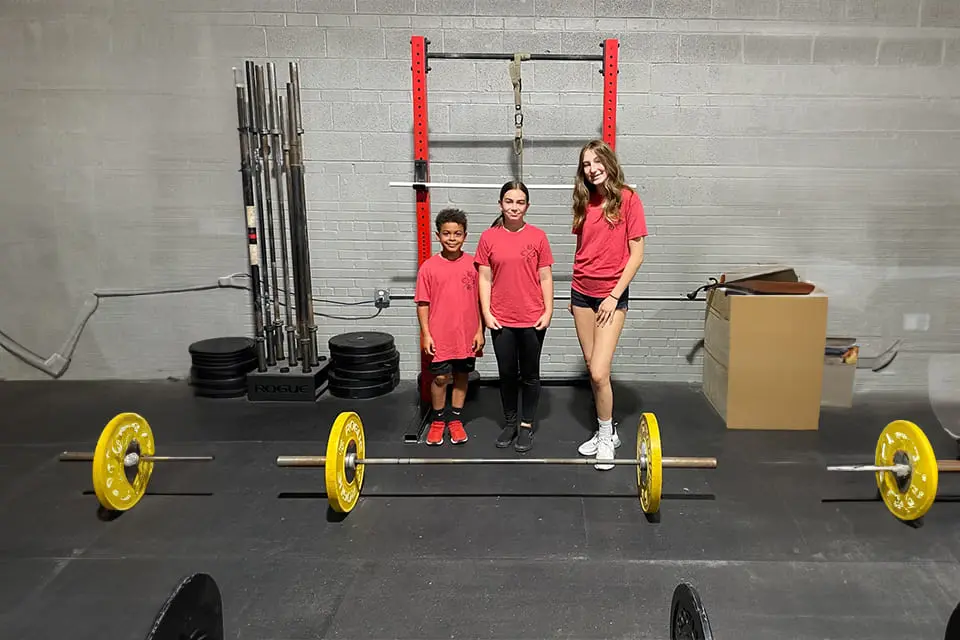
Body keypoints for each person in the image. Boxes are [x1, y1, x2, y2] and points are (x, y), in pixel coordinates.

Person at [568, 139, 647, 471]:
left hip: (610, 296)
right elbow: (584, 249)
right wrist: (575, 297)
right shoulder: (584, 202)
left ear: (609, 163)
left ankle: (605, 435)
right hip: (581, 293)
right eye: (586, 164)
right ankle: (608, 430)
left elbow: (637, 254)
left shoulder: (628, 199)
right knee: (591, 365)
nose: (592, 169)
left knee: (600, 372)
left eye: (597, 161)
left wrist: (614, 295)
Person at [475, 181, 554, 453]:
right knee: (507, 374)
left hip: (532, 318)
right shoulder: (488, 237)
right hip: (501, 319)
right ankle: (510, 422)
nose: (514, 207)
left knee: (530, 375)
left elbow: (545, 275)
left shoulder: (538, 237)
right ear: (500, 204)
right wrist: (486, 313)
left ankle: (526, 426)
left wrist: (548, 310)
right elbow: (484, 278)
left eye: (520, 202)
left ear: (527, 206)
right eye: (509, 201)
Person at [415, 208, 485, 446]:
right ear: (438, 236)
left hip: (466, 335)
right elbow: (423, 304)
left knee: (462, 375)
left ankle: (455, 419)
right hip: (439, 336)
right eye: (447, 234)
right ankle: (437, 421)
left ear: (465, 236)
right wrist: (426, 334)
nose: (452, 238)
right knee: (441, 378)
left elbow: (481, 301)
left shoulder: (475, 265)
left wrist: (479, 331)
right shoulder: (428, 268)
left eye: (457, 234)